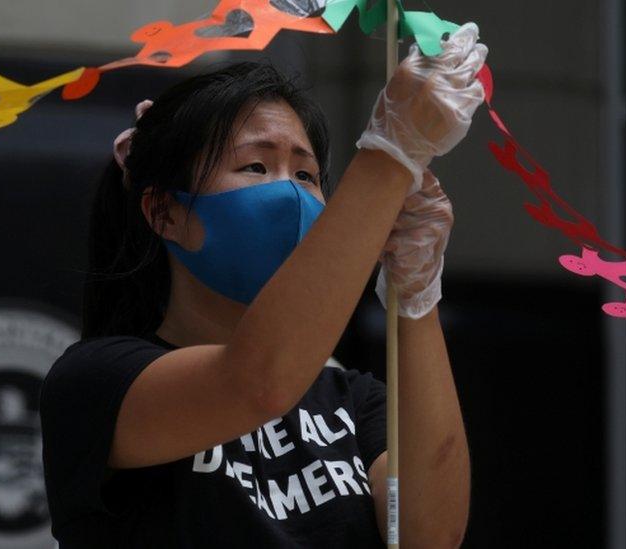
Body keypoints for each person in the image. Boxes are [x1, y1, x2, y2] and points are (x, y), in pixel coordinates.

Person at [40, 22, 488, 548]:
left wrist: (416, 296)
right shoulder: (96, 381)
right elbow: (257, 382)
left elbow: (428, 534)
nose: (291, 195)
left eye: (306, 175)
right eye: (255, 166)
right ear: (165, 212)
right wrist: (392, 154)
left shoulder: (353, 399)